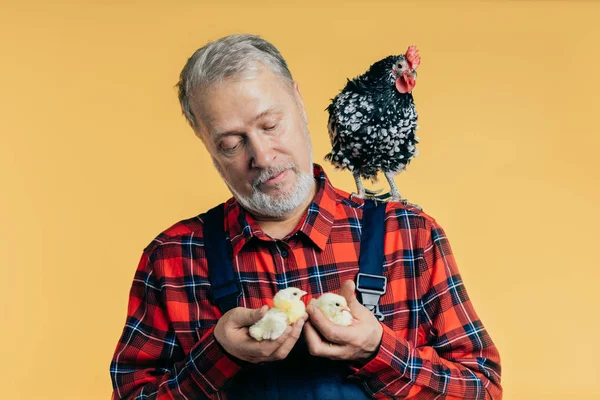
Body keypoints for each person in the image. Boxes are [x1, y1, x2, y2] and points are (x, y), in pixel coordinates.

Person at [110, 34, 502, 399]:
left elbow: (482, 388)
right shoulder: (172, 257)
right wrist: (218, 355)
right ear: (207, 146)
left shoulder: (410, 236)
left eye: (271, 125)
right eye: (231, 143)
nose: (262, 156)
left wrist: (378, 350)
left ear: (299, 101)